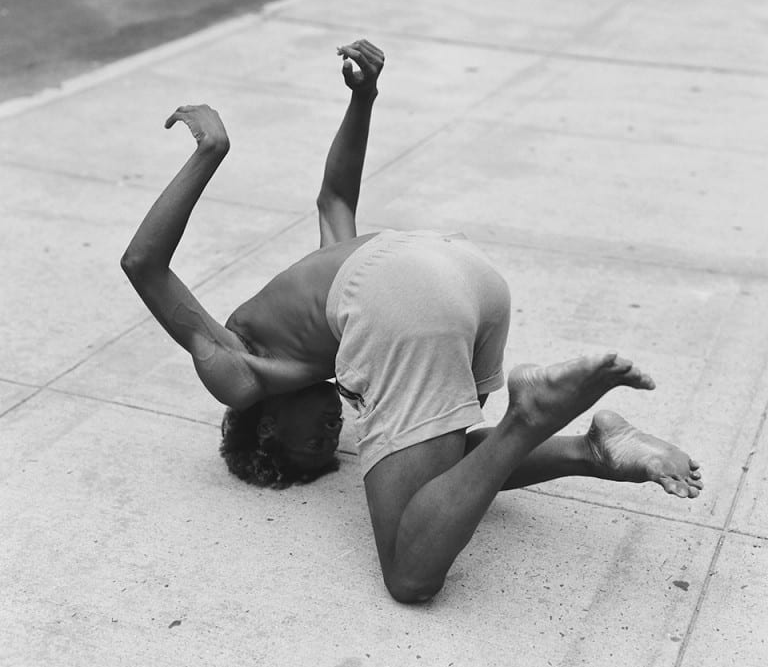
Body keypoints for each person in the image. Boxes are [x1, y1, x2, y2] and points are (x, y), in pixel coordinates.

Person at [121, 38, 703, 604]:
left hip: (402, 295)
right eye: (329, 450)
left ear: (266, 429)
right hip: (458, 269)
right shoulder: (316, 329)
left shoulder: (240, 375)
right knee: (444, 466)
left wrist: (209, 152)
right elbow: (336, 203)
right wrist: (363, 99)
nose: (332, 438)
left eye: (310, 445)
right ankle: (591, 451)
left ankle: (529, 416)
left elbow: (144, 266)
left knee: (409, 574)